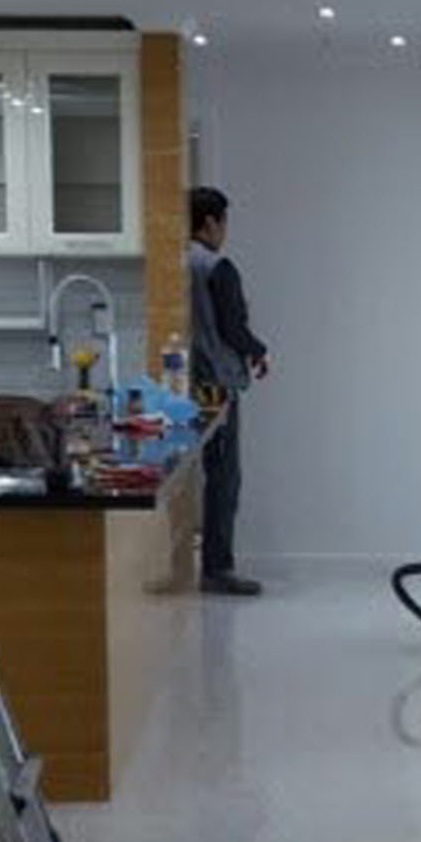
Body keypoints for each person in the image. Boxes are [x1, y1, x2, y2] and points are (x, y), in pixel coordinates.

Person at [188, 184, 269, 594]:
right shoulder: (217, 266)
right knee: (224, 477)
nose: (224, 232)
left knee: (188, 477)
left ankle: (196, 563)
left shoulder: (174, 261)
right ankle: (217, 569)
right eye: (223, 223)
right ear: (210, 222)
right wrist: (259, 351)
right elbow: (232, 327)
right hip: (216, 387)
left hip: (181, 383)